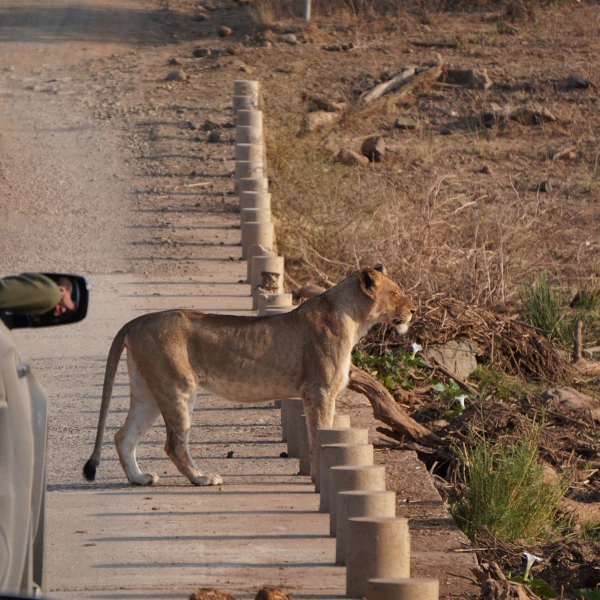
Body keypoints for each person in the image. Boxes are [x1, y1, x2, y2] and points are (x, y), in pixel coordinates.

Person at [0, 273, 76, 318]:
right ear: (62, 290)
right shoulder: (52, 294)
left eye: (63, 313)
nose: (61, 310)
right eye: (60, 304)